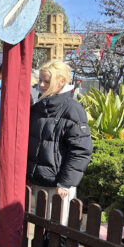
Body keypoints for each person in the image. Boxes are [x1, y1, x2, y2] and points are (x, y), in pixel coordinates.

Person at [27, 60, 92, 225]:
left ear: (61, 81)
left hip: (59, 185)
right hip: (37, 181)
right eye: (40, 80)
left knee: (58, 231)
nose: (41, 85)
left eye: (47, 81)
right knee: (41, 230)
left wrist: (65, 183)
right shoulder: (38, 108)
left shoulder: (73, 109)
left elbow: (81, 150)